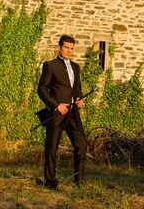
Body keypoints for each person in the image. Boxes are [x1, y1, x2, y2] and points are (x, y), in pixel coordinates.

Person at [37, 35, 87, 190]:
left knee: (82, 144)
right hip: (57, 113)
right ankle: (50, 182)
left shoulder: (76, 67)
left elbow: (76, 89)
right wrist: (56, 105)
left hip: (73, 114)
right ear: (59, 47)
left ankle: (79, 181)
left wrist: (79, 99)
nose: (69, 51)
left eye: (72, 48)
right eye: (66, 47)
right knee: (51, 149)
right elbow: (42, 89)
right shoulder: (50, 66)